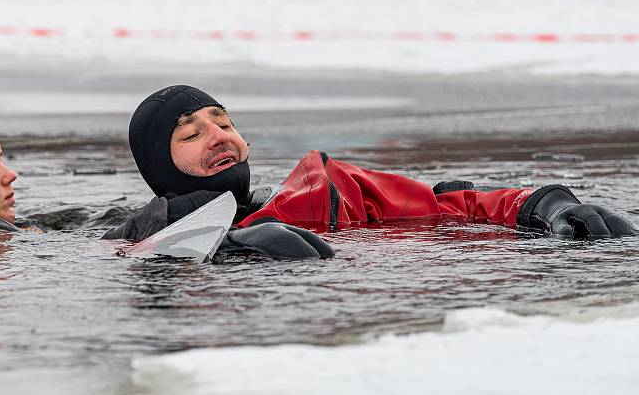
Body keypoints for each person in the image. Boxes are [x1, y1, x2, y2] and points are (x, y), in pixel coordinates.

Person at [101, 85, 639, 258]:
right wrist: (237, 248)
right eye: (191, 134)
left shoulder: (328, 191)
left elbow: (448, 207)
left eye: (225, 124)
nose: (219, 137)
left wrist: (546, 205)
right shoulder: (145, 233)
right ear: (158, 167)